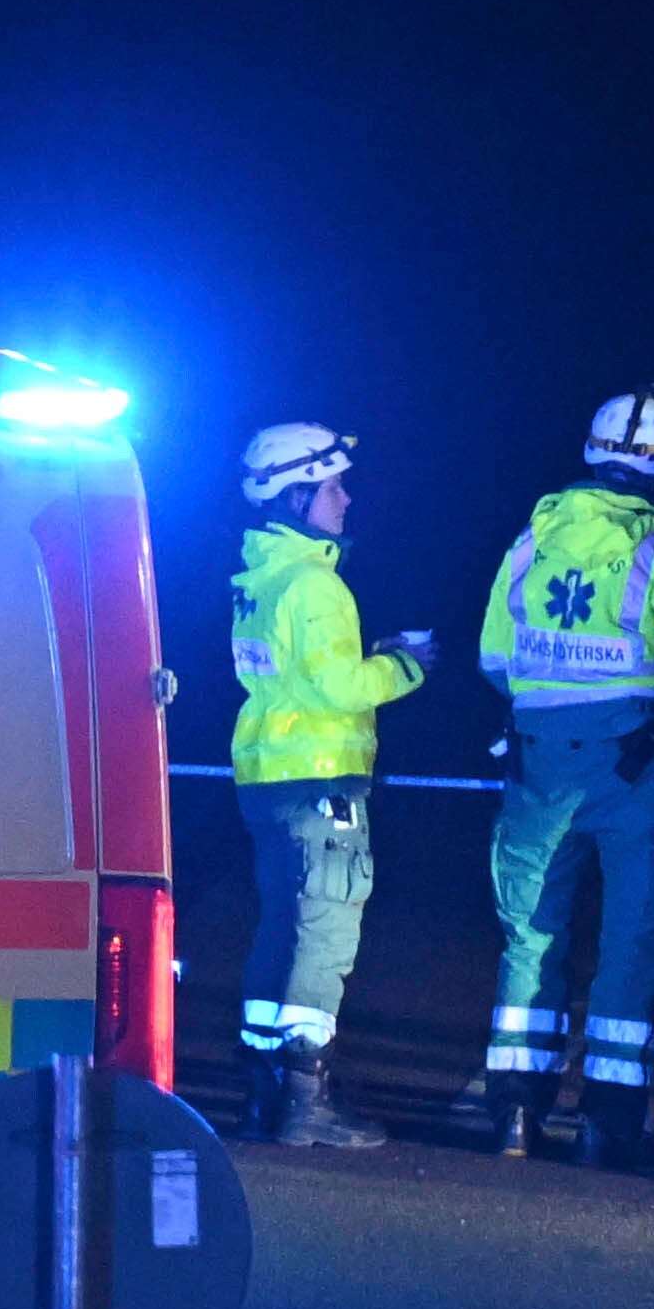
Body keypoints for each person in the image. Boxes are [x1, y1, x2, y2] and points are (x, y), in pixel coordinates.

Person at [444, 388, 654, 1163]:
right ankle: (610, 1121)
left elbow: (495, 658)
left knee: (530, 936)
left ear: (591, 451)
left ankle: (516, 1114)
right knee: (631, 938)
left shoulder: (533, 538)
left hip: (537, 763)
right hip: (634, 768)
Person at [217, 420, 425, 1151]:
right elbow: (340, 685)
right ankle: (307, 1102)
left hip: (269, 778)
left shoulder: (260, 575)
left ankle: (264, 1094)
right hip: (320, 781)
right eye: (332, 486)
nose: (344, 499)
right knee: (327, 929)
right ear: (296, 493)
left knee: (280, 927)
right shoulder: (315, 583)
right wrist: (405, 665)